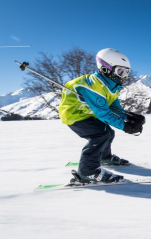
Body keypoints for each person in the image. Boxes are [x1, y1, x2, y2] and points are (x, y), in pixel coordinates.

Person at [58, 48, 145, 183]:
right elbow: (104, 113)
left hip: (87, 114)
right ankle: (88, 172)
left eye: (126, 72)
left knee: (108, 133)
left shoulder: (111, 85)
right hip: (75, 116)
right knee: (100, 135)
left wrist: (129, 116)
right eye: (120, 71)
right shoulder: (94, 86)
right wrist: (125, 126)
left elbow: (113, 106)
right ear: (106, 69)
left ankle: (105, 158)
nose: (123, 76)